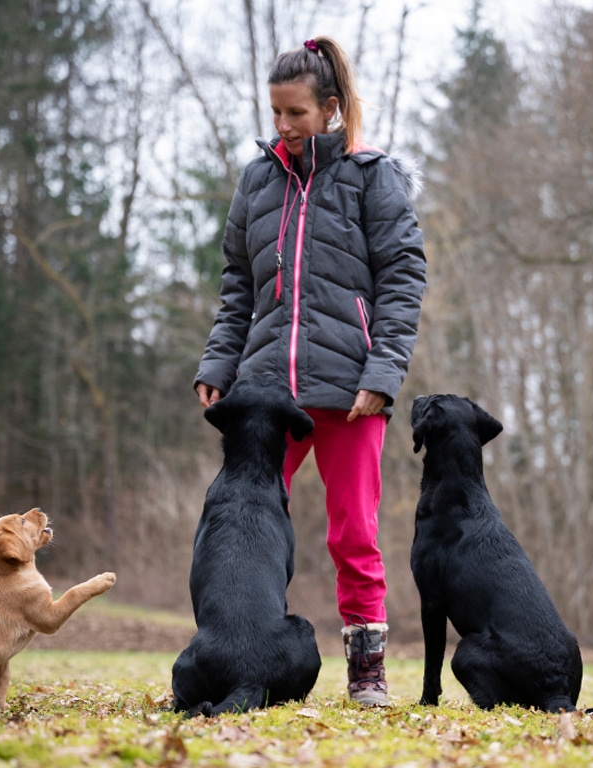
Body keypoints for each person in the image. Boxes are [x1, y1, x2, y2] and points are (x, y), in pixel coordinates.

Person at [193, 36, 426, 707]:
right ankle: (241, 656)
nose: (283, 127)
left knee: (353, 532)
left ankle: (367, 671)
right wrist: (220, 363)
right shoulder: (257, 180)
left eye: (295, 113)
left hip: (351, 390)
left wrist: (381, 374)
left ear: (330, 108)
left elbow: (403, 279)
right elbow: (239, 283)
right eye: (275, 114)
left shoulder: (370, 175)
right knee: (242, 529)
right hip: (264, 393)